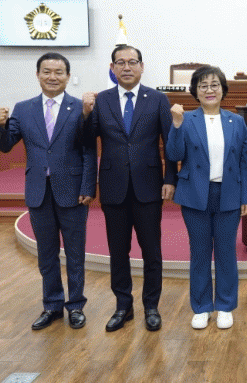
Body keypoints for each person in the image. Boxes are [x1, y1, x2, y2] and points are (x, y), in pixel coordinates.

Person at [82, 45, 177, 332]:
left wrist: (170, 179)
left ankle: (151, 306)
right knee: (118, 252)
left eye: (132, 62)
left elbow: (170, 143)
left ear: (142, 66)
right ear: (112, 68)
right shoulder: (101, 100)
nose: (126, 67)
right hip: (113, 187)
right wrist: (85, 114)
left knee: (152, 252)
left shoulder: (158, 99)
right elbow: (87, 141)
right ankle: (123, 306)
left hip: (149, 187)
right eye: (120, 62)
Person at [0, 53, 96, 330]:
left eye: (58, 72)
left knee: (75, 254)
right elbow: (6, 145)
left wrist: (88, 186)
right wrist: (1, 125)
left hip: (73, 191)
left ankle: (75, 306)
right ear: (37, 74)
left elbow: (89, 151)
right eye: (46, 71)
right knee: (46, 254)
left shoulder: (80, 108)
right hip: (38, 191)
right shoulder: (23, 109)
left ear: (67, 76)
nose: (52, 77)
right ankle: (52, 305)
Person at [166, 65, 247, 330]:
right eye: (203, 85)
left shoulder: (236, 121)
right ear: (195, 91)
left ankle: (225, 305)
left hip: (228, 194)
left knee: (226, 253)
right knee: (200, 253)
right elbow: (174, 154)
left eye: (214, 84)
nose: (209, 90)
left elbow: (245, 162)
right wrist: (176, 125)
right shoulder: (186, 119)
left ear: (223, 89)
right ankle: (202, 307)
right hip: (195, 195)